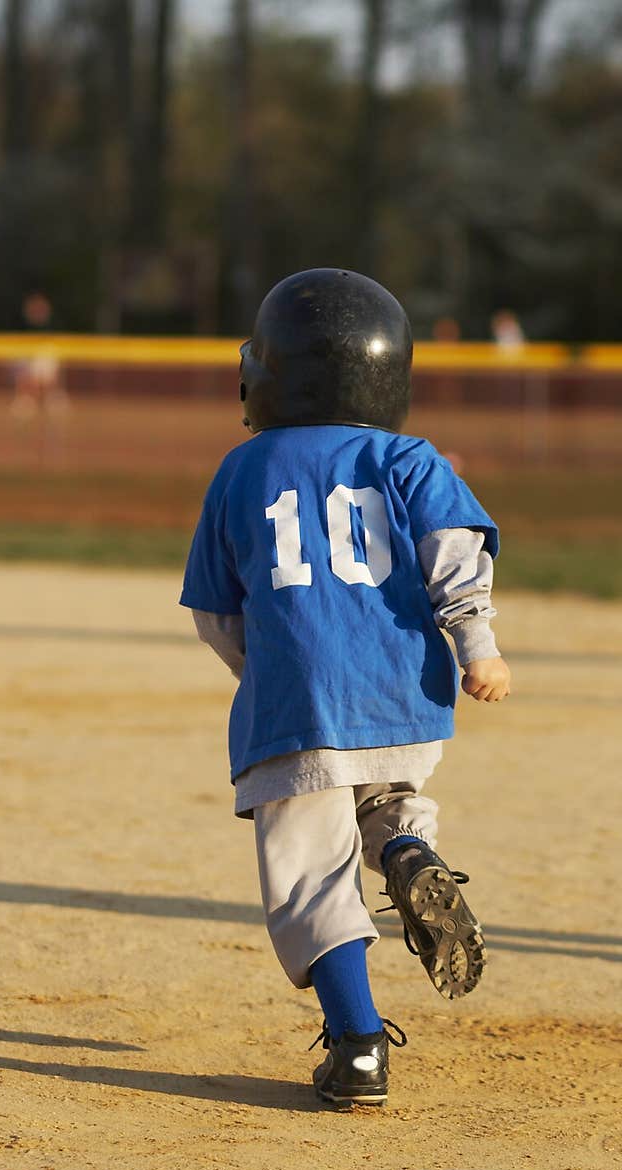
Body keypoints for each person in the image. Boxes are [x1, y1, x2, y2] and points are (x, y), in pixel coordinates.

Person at [179, 268, 511, 1109]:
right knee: (382, 784)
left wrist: (266, 672)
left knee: (309, 876)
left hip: (295, 707)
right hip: (400, 689)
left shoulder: (242, 469)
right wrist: (479, 647)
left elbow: (216, 613)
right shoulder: (408, 456)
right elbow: (456, 556)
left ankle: (358, 1045)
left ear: (274, 370)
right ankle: (405, 847)